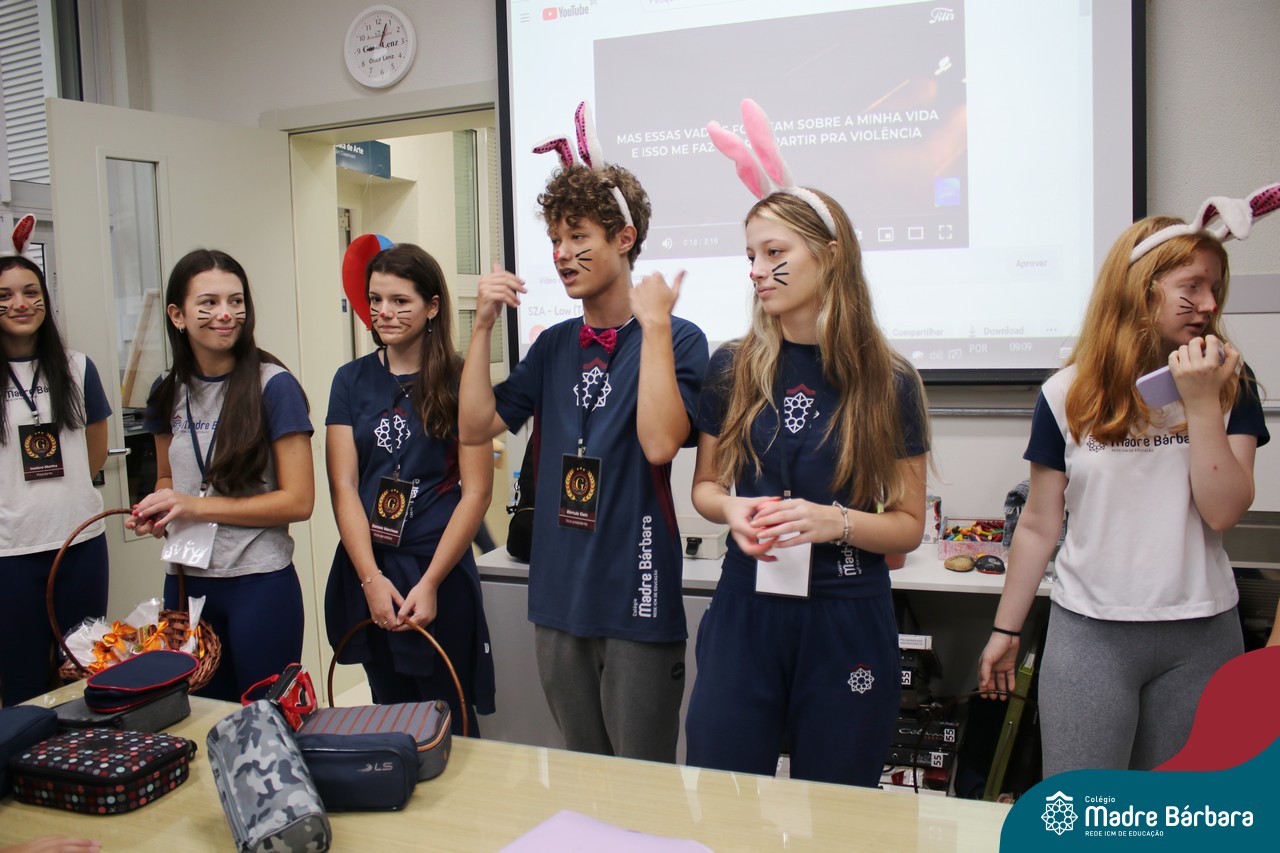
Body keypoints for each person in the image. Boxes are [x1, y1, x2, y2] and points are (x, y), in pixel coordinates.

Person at [978, 194, 1273, 775]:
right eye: (1192, 287)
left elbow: (1223, 512)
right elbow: (1038, 524)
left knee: (1181, 814)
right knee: (1084, 811)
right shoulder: (1067, 392)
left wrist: (1201, 402)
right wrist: (1006, 628)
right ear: (1142, 290)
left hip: (1202, 633)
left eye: (1216, 288)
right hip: (1091, 635)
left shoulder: (1231, 382)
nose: (1210, 305)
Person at [459, 103, 708, 762]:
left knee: (641, 784)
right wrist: (480, 326)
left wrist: (655, 328)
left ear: (624, 238)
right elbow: (475, 425)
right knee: (581, 776)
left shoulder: (678, 338)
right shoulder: (552, 346)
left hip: (637, 596)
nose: (562, 254)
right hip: (558, 597)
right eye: (556, 239)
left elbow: (661, 443)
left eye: (578, 236)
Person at [683, 176, 929, 785]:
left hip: (846, 613)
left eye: (774, 252)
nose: (756, 271)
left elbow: (908, 527)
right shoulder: (733, 366)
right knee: (722, 791)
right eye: (750, 256)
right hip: (747, 605)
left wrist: (834, 522)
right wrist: (731, 510)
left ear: (831, 255)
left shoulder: (889, 380)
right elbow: (706, 487)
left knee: (839, 805)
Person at [126, 249, 314, 702]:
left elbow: (299, 501)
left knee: (265, 724)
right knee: (194, 716)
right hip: (185, 583)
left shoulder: (274, 385)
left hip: (259, 582)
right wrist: (160, 509)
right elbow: (168, 479)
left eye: (236, 301)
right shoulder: (166, 389)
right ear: (178, 315)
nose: (226, 314)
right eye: (208, 303)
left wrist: (195, 505)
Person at [324, 242, 495, 735]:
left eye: (400, 301)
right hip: (372, 570)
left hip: (436, 570)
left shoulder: (461, 379)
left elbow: (476, 492)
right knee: (390, 717)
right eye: (376, 300)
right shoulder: (350, 380)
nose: (384, 312)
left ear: (432, 306)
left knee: (452, 722)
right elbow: (343, 486)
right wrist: (371, 580)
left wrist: (432, 583)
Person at [0, 235, 111, 707]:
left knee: (85, 677)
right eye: (5, 295)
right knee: (22, 685)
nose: (21, 303)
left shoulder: (78, 368)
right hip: (10, 553)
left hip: (80, 545)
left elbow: (95, 453)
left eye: (31, 292)